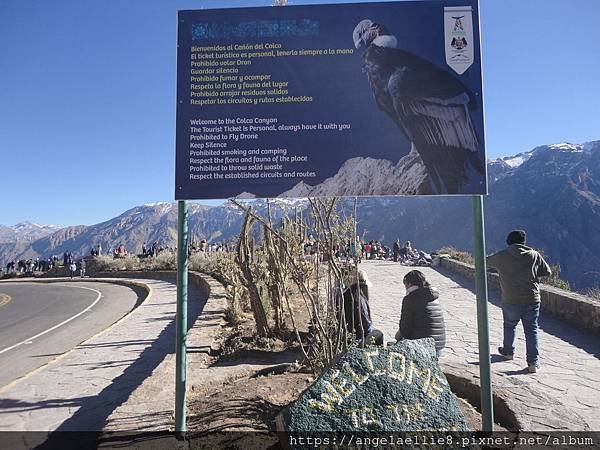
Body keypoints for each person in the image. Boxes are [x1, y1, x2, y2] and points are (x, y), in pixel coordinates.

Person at [487, 230, 551, 373]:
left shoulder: (501, 256)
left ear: (509, 241)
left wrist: (501, 269)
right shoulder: (534, 255)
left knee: (509, 325)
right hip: (532, 299)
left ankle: (508, 352)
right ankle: (533, 362)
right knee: (531, 330)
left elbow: (483, 262)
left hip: (510, 299)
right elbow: (547, 272)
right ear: (523, 242)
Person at [395, 270, 445, 357]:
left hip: (422, 346)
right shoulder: (433, 297)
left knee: (398, 341)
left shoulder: (410, 298)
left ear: (409, 284)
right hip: (438, 346)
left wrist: (399, 337)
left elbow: (405, 327)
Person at [338, 269, 383, 347]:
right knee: (379, 334)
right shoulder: (359, 298)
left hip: (347, 332)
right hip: (358, 336)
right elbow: (365, 325)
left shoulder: (345, 295)